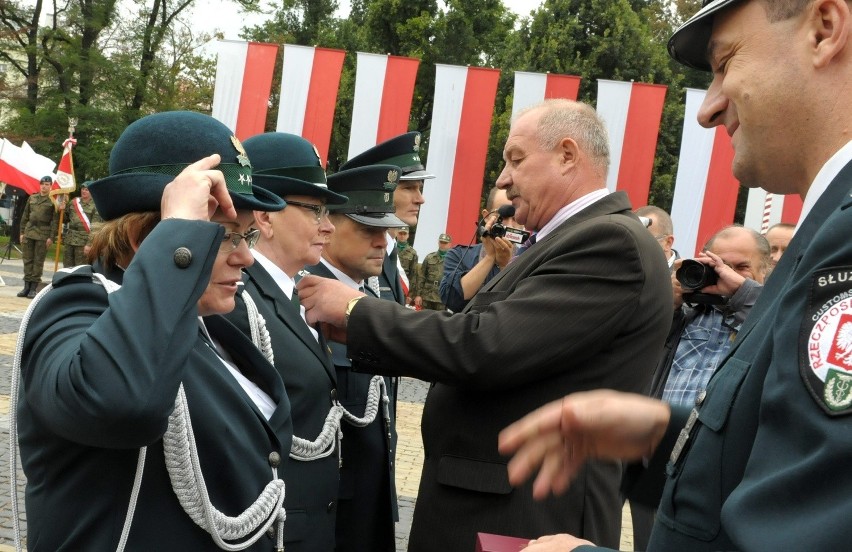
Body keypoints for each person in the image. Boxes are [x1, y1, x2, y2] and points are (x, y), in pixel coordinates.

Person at [497, 0, 852, 550]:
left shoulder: (844, 238)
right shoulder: (831, 224)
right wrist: (660, 435)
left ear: (824, 29)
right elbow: (782, 451)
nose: (708, 109)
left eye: (726, 63)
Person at [297, 98, 672, 550]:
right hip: (496, 506)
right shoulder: (564, 241)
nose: (503, 179)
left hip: (523, 517)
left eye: (516, 159)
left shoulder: (609, 242)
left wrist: (357, 310)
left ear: (567, 155)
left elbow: (485, 345)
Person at [14, 111, 294, 550]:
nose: (247, 259)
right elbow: (121, 404)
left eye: (248, 237)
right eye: (224, 237)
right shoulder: (74, 308)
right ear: (149, 240)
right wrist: (181, 232)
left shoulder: (207, 325)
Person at [222, 132, 348, 552]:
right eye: (315, 210)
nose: (328, 226)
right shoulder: (238, 302)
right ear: (265, 217)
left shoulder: (291, 293)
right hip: (270, 530)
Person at [305, 164, 406, 552]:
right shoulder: (306, 297)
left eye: (387, 229)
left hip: (372, 500)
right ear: (327, 227)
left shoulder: (375, 297)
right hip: (330, 512)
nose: (384, 241)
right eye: (369, 229)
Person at [650, 225, 769, 404]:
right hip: (663, 428)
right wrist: (667, 303)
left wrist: (744, 293)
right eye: (720, 265)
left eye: (742, 266)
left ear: (764, 271)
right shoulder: (686, 310)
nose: (727, 274)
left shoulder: (773, 313)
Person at [339, 131, 434, 305]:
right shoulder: (360, 255)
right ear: (383, 192)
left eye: (419, 189)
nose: (420, 199)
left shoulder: (390, 249)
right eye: (409, 188)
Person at [440, 187, 519, 312]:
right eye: (502, 217)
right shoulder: (459, 254)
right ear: (486, 216)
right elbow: (451, 299)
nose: (509, 225)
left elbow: (520, 307)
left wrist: (505, 265)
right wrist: (490, 257)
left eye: (516, 217)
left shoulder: (533, 257)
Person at [18, 175, 58, 298]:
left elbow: (55, 221)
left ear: (50, 186)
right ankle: (26, 287)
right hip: (29, 232)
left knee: (38, 261)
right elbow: (25, 216)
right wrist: (22, 232)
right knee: (27, 260)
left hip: (43, 234)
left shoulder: (53, 201)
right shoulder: (32, 198)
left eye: (47, 184)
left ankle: (33, 288)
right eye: (42, 184)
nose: (44, 186)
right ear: (40, 185)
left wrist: (51, 237)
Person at [60, 180, 103, 267]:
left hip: (83, 241)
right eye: (83, 189)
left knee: (80, 267)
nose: (84, 191)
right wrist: (62, 210)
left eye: (86, 190)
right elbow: (65, 219)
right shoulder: (74, 202)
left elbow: (95, 228)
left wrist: (89, 244)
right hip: (70, 239)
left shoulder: (95, 206)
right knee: (67, 266)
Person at [635, 205, 679, 271]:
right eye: (633, 239)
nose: (636, 246)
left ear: (668, 243)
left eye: (645, 239)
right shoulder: (622, 271)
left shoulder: (688, 278)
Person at [418, 233, 452, 310]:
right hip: (427, 295)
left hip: (442, 297)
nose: (442, 245)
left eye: (445, 243)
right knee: (425, 319)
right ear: (438, 242)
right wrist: (418, 295)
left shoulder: (453, 260)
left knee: (440, 320)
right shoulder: (429, 257)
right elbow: (421, 276)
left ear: (450, 244)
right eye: (441, 242)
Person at [396, 226, 419, 306]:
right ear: (396, 234)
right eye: (400, 233)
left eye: (404, 234)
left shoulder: (412, 253)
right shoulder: (390, 248)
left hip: (404, 287)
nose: (402, 236)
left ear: (408, 235)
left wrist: (410, 294)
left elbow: (414, 275)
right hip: (391, 284)